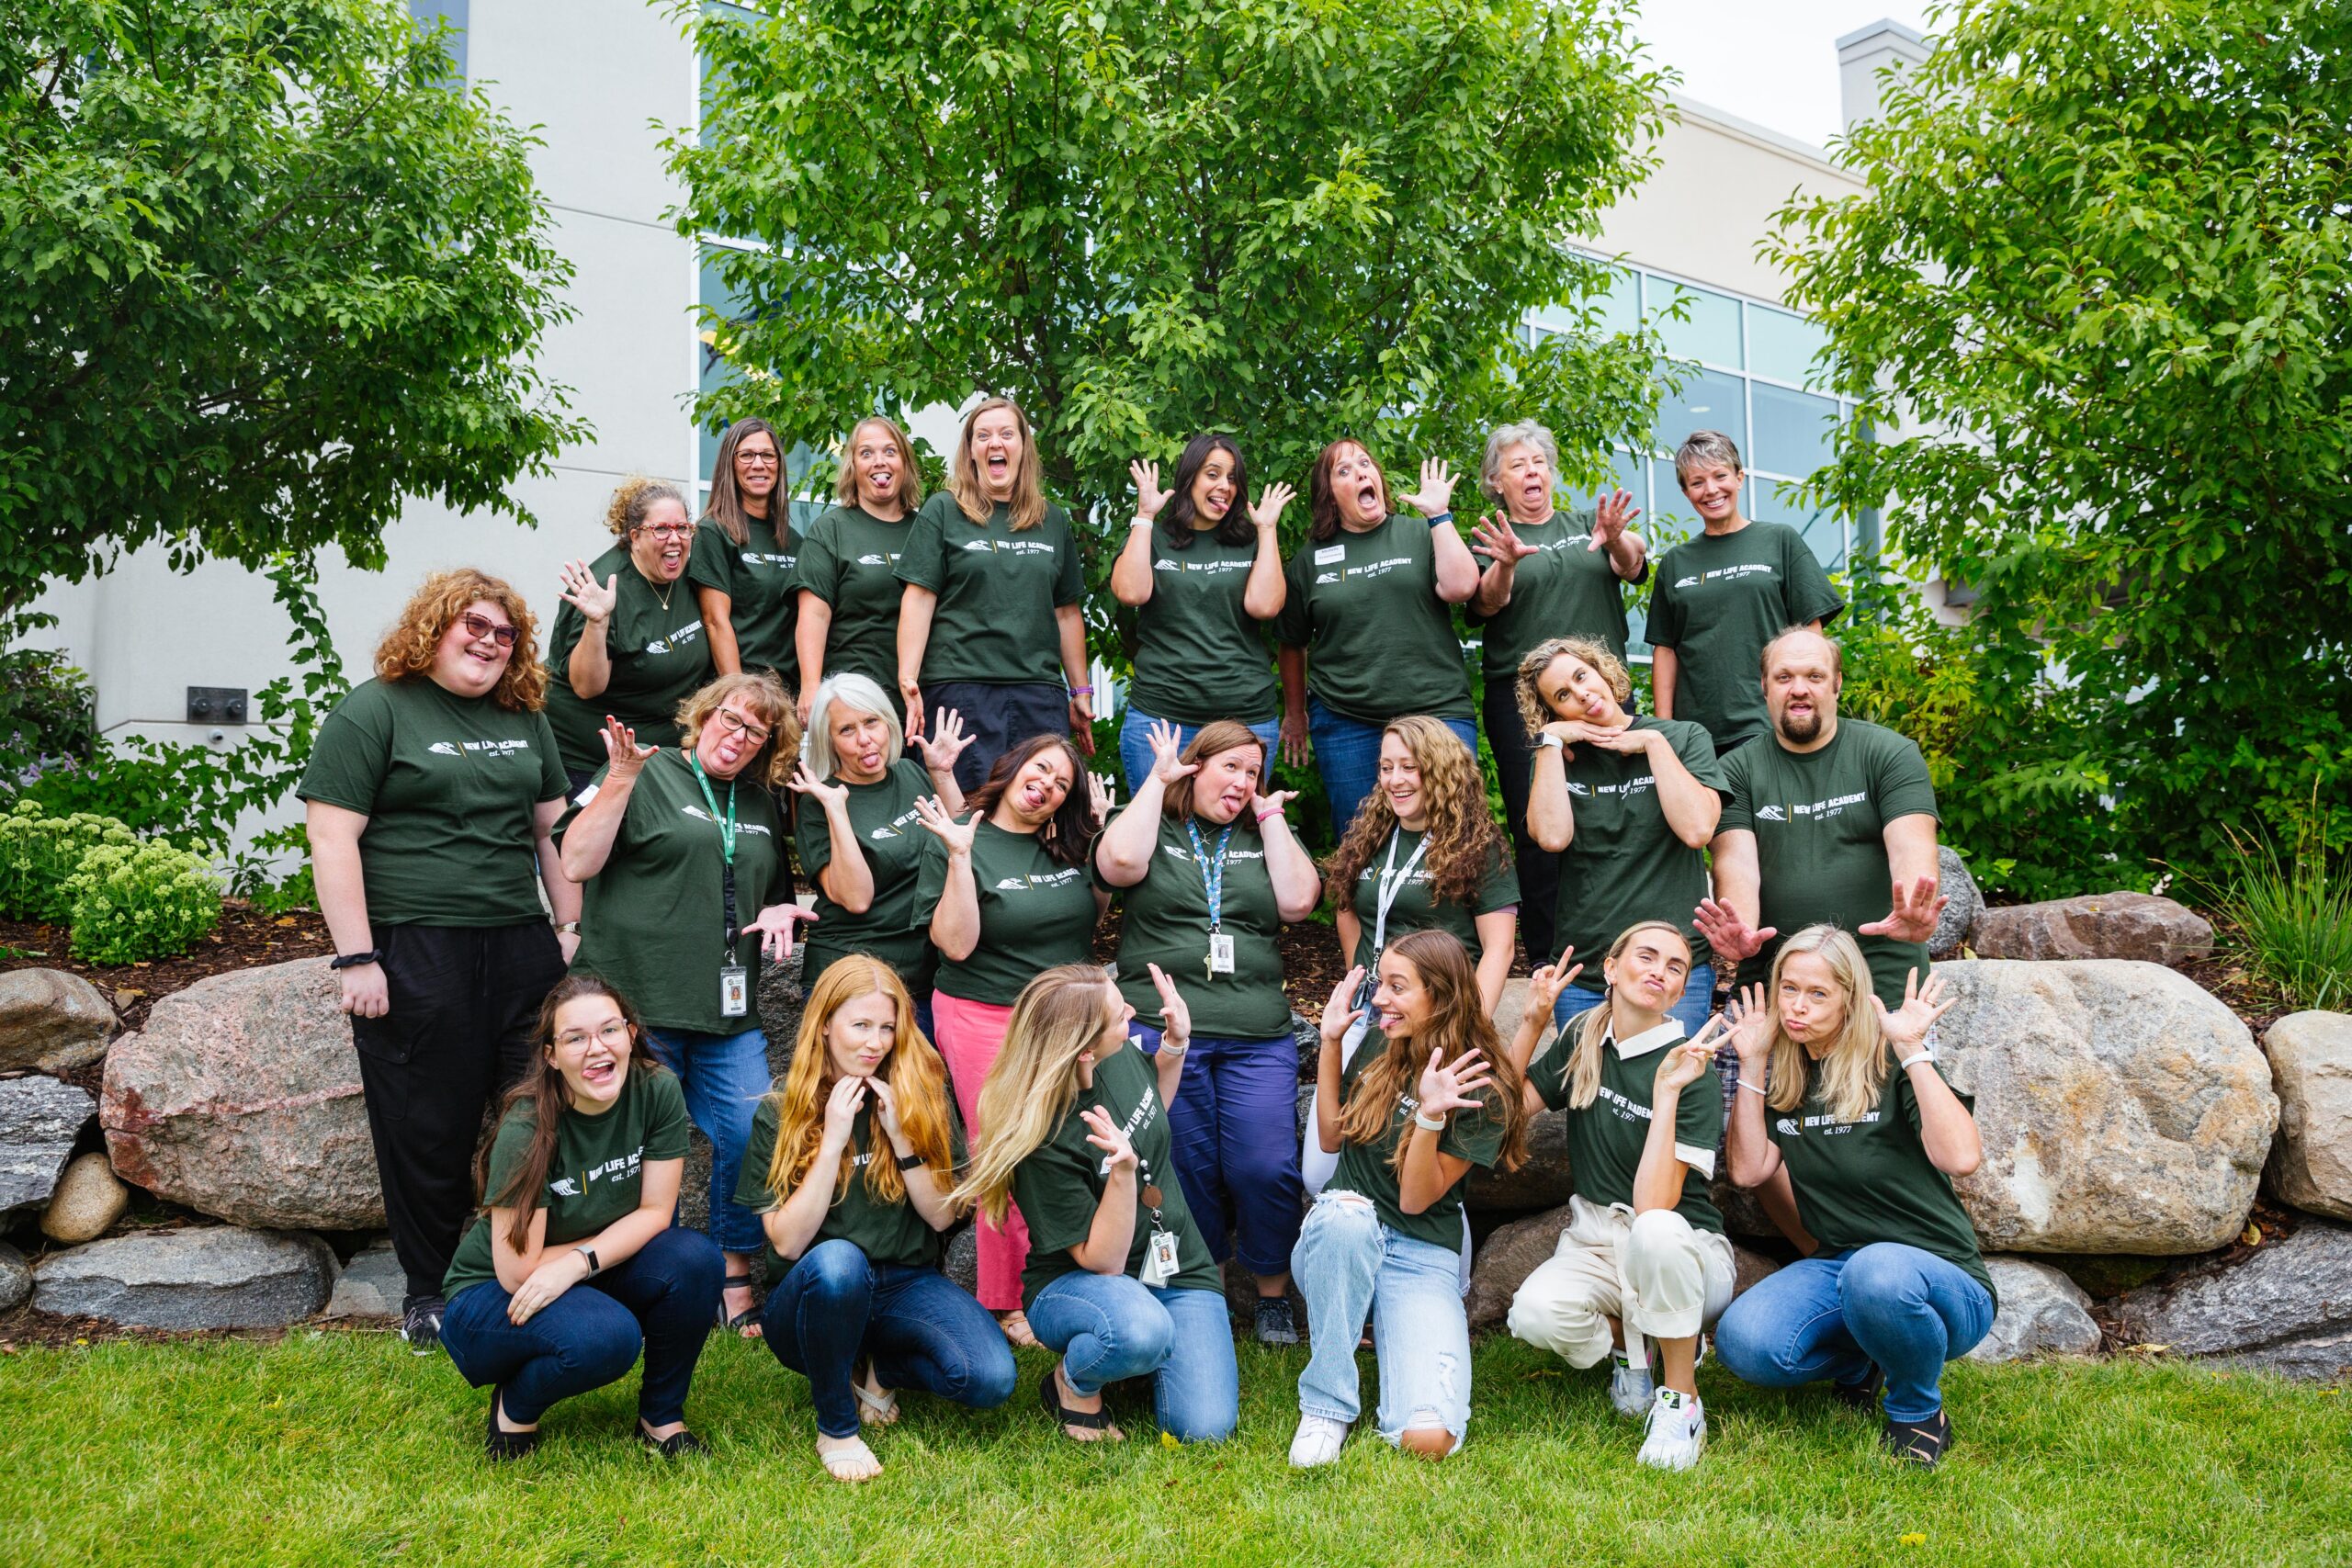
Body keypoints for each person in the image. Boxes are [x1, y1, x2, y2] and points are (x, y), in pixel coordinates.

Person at [300, 569, 580, 1353]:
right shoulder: (375, 709)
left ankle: (532, 1269)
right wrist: (357, 956)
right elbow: (332, 835)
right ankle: (427, 1292)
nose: (490, 643)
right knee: (427, 1126)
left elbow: (551, 828)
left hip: (521, 945)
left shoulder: (524, 717)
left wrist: (570, 926)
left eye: (505, 633)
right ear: (435, 628)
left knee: (539, 1115)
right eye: (474, 626)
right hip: (416, 944)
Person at [556, 671, 811, 1337]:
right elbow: (576, 860)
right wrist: (619, 778)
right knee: (644, 1146)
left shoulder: (757, 802)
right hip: (635, 1006)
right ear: (704, 714)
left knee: (751, 1129)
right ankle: (653, 1283)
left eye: (758, 732)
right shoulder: (644, 771)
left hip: (726, 1013)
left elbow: (770, 892)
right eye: (732, 718)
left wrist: (782, 908)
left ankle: (732, 1273)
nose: (740, 736)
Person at [1714, 926, 1990, 1469]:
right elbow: (1749, 1171)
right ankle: (1866, 1359)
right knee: (1744, 1344)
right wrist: (1751, 1063)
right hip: (1840, 1268)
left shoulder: (1888, 1062)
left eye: (1818, 994)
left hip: (1942, 1278)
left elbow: (1961, 1158)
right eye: (1789, 988)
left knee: (1877, 1271)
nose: (1798, 1006)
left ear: (1849, 998)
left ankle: (1916, 1410)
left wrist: (1912, 1049)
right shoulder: (1790, 1076)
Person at [741, 956, 1016, 1483]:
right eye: (860, 1025)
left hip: (903, 1283)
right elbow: (788, 1244)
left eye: (886, 1027)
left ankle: (879, 1365)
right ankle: (837, 1427)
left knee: (989, 1378)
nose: (875, 1042)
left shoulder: (920, 1096)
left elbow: (942, 1219)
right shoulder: (780, 1112)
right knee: (839, 1262)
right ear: (825, 1024)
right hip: (814, 1295)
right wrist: (833, 1140)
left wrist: (902, 1139)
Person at [1093, 719, 1321, 1343]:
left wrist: (1271, 818)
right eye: (1231, 767)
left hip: (1255, 1034)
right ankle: (1204, 1289)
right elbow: (1117, 863)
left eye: (1253, 772)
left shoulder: (1261, 828)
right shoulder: (1154, 824)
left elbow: (1299, 902)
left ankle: (1271, 1292)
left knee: (1264, 1165)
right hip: (1165, 1030)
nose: (1243, 782)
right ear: (1196, 767)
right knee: (1183, 1163)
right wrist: (1157, 781)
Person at [948, 964, 1240, 1445]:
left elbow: (1152, 1108)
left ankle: (1136, 1353)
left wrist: (1175, 1044)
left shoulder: (1117, 1054)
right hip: (1084, 1285)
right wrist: (1122, 1176)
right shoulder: (1043, 1139)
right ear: (1084, 1049)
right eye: (1119, 1014)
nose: (1132, 1012)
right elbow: (1102, 1262)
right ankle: (1074, 1382)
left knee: (1203, 1429)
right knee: (1142, 1331)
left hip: (1177, 1267)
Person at [437, 974, 722, 1461]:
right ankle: (515, 1406)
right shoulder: (528, 1127)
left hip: (581, 1265)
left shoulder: (656, 1088)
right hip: (490, 1293)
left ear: (630, 1034)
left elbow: (656, 1212)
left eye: (609, 1030)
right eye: (575, 1038)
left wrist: (579, 1263)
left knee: (695, 1260)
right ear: (551, 1056)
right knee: (608, 1338)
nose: (597, 1048)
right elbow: (517, 1270)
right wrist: (584, 1262)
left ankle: (661, 1417)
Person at [1289, 929, 1528, 1468]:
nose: (1380, 999)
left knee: (1429, 1438)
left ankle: (1390, 1339)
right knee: (1348, 1217)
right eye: (1381, 984)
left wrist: (1430, 1116)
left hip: (1419, 1252)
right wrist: (1331, 1043)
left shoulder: (1484, 1087)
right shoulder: (1385, 1039)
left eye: (1397, 987)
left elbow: (1417, 1200)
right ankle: (1327, 1405)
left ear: (1440, 996)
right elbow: (1331, 1136)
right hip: (1341, 1239)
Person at [1503, 924, 1733, 1471]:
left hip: (1684, 1252)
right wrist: (1533, 1020)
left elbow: (1655, 1205)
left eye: (1674, 967)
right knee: (1534, 1314)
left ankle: (1681, 1400)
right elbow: (1504, 1113)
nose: (1659, 971)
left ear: (1680, 992)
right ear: (1610, 968)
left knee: (1655, 1229)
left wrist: (1666, 1091)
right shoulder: (1584, 1034)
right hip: (1597, 1243)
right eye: (1646, 956)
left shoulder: (1690, 1067)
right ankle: (1638, 1347)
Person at [913, 733, 1111, 1344]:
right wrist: (958, 858)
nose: (1047, 785)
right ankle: (1008, 1297)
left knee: (1067, 1149)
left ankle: (1070, 1278)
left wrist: (1098, 833)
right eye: (1041, 769)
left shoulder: (1067, 844)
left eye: (1061, 784)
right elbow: (955, 944)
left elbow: (1092, 915)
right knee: (1004, 1154)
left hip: (1065, 1020)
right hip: (983, 1014)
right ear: (1014, 766)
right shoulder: (961, 835)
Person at [1464, 420, 1647, 964]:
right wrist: (1505, 564)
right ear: (1497, 482)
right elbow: (1484, 604)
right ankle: (1548, 953)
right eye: (1517, 465)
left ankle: (1628, 942)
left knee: (1620, 807)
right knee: (1539, 822)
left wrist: (1616, 536)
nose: (1531, 472)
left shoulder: (1587, 523)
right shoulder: (1494, 539)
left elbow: (1633, 564)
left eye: (1538, 462)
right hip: (1522, 702)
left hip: (1601, 692)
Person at [1695, 627, 1946, 1010]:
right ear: (1764, 686)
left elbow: (1911, 845)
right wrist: (1741, 931)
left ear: (1837, 684)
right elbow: (1735, 862)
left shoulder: (1890, 753)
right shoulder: (1734, 770)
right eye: (1784, 677)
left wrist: (1914, 909)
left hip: (1882, 979)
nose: (1799, 689)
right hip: (1775, 984)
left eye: (1814, 676)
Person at [1519, 636, 1725, 1035]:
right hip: (1586, 971)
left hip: (1671, 965)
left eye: (1582, 676)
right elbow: (1552, 837)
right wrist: (1551, 740)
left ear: (1602, 671)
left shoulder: (1683, 737)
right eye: (1563, 695)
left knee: (1669, 1074)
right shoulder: (1554, 758)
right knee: (1584, 1079)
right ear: (1554, 712)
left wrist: (1652, 742)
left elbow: (1698, 829)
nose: (1581, 694)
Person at [1274, 439, 1480, 831]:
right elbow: (1292, 643)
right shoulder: (1309, 560)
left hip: (1437, 710)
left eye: (1365, 463)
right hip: (1347, 722)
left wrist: (1439, 515)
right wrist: (1296, 714)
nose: (1360, 472)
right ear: (1329, 495)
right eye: (1344, 470)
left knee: (1454, 835)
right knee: (1361, 841)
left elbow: (1462, 588)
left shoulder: (1421, 533)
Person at [895, 396, 1091, 791]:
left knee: (1042, 809)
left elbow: (1066, 613)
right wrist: (908, 679)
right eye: (982, 436)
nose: (995, 443)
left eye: (1006, 434)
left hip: (1038, 692)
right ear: (970, 451)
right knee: (964, 809)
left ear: (1023, 446)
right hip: (960, 688)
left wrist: (1081, 690)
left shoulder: (1053, 520)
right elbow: (919, 598)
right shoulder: (944, 510)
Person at [794, 672, 973, 1040]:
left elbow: (965, 844)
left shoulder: (909, 773)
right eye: (847, 730)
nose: (865, 739)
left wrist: (941, 774)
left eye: (871, 722)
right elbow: (856, 898)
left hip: (923, 978)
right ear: (829, 740)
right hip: (853, 980)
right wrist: (837, 810)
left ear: (888, 721)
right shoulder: (819, 801)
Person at [1108, 434, 1292, 792]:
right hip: (1162, 719)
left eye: (1233, 478)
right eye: (1213, 474)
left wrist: (1267, 529)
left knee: (1236, 825)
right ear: (1189, 478)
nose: (1225, 485)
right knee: (1157, 825)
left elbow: (1266, 606)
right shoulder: (1154, 537)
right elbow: (1131, 592)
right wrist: (1145, 516)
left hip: (1244, 720)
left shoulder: (1249, 542)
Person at [1645, 430, 1844, 752]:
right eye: (1697, 482)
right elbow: (1665, 651)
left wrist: (1810, 702)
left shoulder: (1780, 541)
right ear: (1686, 492)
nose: (1711, 490)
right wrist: (1665, 730)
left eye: (1720, 476)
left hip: (1767, 721)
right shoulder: (1675, 563)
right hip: (1696, 732)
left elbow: (1811, 633)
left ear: (1739, 477)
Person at [1325, 716, 1519, 1019]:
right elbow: (1346, 908)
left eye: (1409, 767)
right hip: (1369, 1010)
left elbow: (1500, 947)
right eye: (1386, 768)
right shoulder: (1369, 835)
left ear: (1440, 770)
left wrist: (1471, 1026)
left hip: (1438, 1015)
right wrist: (1358, 981)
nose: (1394, 780)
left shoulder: (1478, 844)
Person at [547, 476, 717, 793]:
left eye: (683, 528)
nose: (675, 539)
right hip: (589, 762)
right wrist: (598, 622)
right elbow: (586, 686)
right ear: (635, 537)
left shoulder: (691, 575)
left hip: (661, 760)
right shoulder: (600, 587)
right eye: (661, 529)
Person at [795, 415, 926, 723]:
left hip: (918, 699)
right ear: (853, 467)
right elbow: (814, 615)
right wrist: (810, 687)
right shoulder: (831, 529)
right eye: (866, 453)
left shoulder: (927, 530)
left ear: (905, 463)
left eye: (890, 451)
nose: (879, 461)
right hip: (851, 699)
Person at [691, 417, 798, 688]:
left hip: (790, 690)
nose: (758, 464)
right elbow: (715, 622)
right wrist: (739, 692)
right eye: (747, 455)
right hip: (745, 686)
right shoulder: (714, 532)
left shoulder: (795, 541)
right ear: (730, 463)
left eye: (767, 455)